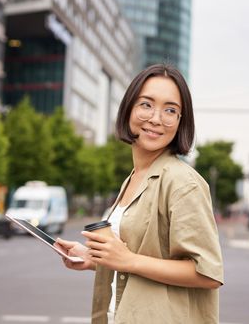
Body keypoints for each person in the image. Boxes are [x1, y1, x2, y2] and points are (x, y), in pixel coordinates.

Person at [56, 64, 224, 323]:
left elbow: (208, 274)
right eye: (146, 104)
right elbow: (137, 257)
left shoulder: (183, 182)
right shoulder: (133, 178)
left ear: (180, 122)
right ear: (128, 109)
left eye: (170, 110)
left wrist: (127, 260)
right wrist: (95, 259)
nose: (156, 118)